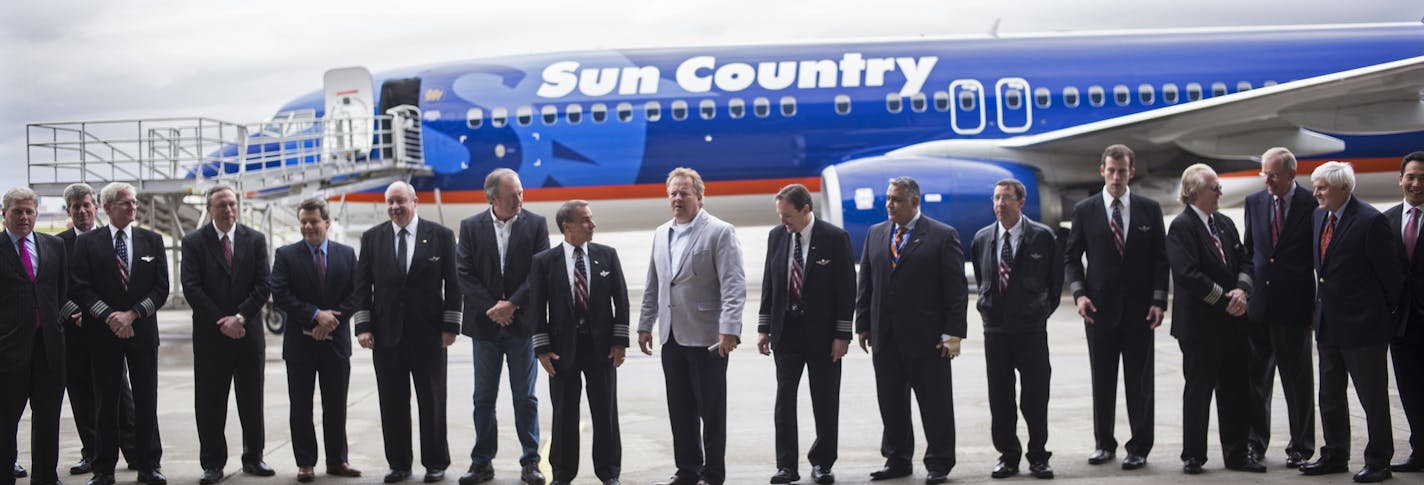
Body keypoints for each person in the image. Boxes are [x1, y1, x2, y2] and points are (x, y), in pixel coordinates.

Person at [638, 167, 746, 485]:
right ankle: (687, 469)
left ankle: (713, 474)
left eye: (684, 192)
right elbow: (654, 284)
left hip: (708, 338)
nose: (678, 198)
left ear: (699, 196)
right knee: (680, 408)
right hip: (671, 336)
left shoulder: (719, 231)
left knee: (711, 411)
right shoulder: (661, 233)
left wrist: (729, 329)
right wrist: (645, 325)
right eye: (673, 193)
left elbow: (733, 284)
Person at [855, 176, 967, 485]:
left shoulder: (942, 236)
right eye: (888, 198)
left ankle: (939, 462)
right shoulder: (876, 234)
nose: (889, 204)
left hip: (929, 341)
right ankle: (897, 459)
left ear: (915, 202)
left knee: (936, 404)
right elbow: (866, 284)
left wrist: (953, 338)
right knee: (891, 403)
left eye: (896, 200)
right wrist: (863, 323)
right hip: (885, 338)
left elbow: (956, 293)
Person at [1063, 144, 1168, 470]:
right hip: (1098, 310)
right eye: (1111, 171)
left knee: (1139, 384)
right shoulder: (1086, 210)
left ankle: (1139, 447)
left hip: (1140, 312)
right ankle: (1103, 443)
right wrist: (1079, 294)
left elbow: (1160, 260)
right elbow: (1071, 258)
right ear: (1102, 171)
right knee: (1103, 381)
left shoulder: (1149, 209)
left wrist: (1158, 300)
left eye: (1122, 171)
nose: (1116, 177)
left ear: (1131, 172)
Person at [353, 181, 461, 483]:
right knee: (392, 402)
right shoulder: (372, 238)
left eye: (400, 201)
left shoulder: (440, 236)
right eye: (389, 202)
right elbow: (362, 288)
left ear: (415, 201)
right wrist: (363, 326)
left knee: (433, 402)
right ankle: (399, 464)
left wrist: (451, 326)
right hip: (387, 337)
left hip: (429, 336)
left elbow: (453, 285)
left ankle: (436, 463)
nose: (394, 207)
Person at [1300, 161, 1402, 483]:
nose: (1315, 193)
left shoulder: (1370, 221)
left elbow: (1392, 279)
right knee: (1329, 395)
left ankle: (1378, 460)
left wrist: (1379, 317)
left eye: (1322, 187)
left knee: (1372, 397)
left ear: (1344, 188)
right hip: (1328, 325)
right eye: (1315, 186)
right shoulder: (1318, 216)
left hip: (1364, 328)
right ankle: (1334, 453)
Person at [1164, 164, 1261, 474]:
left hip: (1232, 325)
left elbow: (1246, 259)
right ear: (1194, 192)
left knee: (1236, 391)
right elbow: (1188, 275)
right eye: (1214, 187)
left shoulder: (1224, 223)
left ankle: (1237, 455)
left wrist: (1243, 291)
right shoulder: (1182, 227)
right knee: (1199, 391)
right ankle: (1193, 455)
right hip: (1200, 328)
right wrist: (1225, 300)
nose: (1220, 192)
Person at [69, 182, 168, 485]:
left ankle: (149, 465)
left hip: (142, 332)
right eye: (126, 202)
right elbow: (80, 287)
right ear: (109, 207)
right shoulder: (88, 243)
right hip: (103, 335)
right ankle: (104, 469)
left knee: (146, 399)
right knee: (106, 402)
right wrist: (110, 316)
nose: (132, 207)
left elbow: (161, 288)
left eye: (134, 202)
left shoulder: (151, 240)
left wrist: (133, 314)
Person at [756, 184, 855, 485]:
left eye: (787, 215)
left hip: (824, 336)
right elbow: (769, 284)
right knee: (784, 400)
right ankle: (786, 465)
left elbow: (846, 290)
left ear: (805, 210)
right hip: (787, 333)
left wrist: (842, 335)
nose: (783, 221)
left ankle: (823, 462)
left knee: (825, 400)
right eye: (780, 215)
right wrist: (763, 328)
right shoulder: (777, 237)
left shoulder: (834, 238)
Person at [455, 169, 548, 485]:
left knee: (525, 397)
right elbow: (464, 273)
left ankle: (530, 462)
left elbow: (539, 270)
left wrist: (512, 304)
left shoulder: (535, 224)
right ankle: (482, 463)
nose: (520, 199)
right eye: (513, 195)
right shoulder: (470, 227)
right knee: (483, 397)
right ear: (493, 198)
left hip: (521, 326)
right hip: (486, 328)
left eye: (521, 193)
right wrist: (492, 308)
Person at [527, 200, 628, 485]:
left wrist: (619, 342)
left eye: (591, 219)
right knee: (564, 415)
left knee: (606, 413)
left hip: (602, 349)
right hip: (562, 351)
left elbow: (620, 301)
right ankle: (562, 473)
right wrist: (543, 349)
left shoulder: (607, 255)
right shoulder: (544, 262)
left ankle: (609, 472)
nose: (592, 224)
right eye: (585, 220)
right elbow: (537, 309)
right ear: (566, 226)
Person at [969, 178, 1061, 480]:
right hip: (995, 333)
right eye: (996, 198)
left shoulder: (1043, 237)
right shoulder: (982, 238)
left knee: (1035, 395)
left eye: (1006, 198)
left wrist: (1037, 313)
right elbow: (984, 278)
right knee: (1000, 397)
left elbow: (1055, 285)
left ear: (1021, 202)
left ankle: (1038, 456)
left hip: (1031, 332)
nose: (999, 204)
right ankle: (1008, 455)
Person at [179, 185, 272, 484]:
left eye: (232, 204)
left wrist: (240, 317)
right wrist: (222, 320)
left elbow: (263, 284)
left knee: (252, 400)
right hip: (211, 337)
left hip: (248, 334)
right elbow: (191, 287)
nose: (229, 210)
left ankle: (254, 457)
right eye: (222, 206)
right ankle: (213, 464)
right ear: (209, 210)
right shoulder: (193, 242)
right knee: (209, 403)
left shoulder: (255, 240)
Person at [269, 197, 362, 482]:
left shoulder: (347, 254)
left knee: (336, 406)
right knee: (301, 407)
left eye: (313, 221)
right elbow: (281, 295)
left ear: (327, 222)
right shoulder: (285, 255)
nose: (308, 226)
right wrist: (315, 315)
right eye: (303, 221)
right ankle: (306, 462)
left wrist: (330, 320)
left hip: (335, 343)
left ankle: (337, 461)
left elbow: (356, 293)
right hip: (300, 345)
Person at [1241, 147, 1317, 468]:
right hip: (1258, 308)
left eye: (1273, 174)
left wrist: (1317, 306)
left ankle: (1301, 447)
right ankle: (1254, 444)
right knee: (1256, 382)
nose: (1267, 180)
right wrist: (1243, 291)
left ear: (1291, 175)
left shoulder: (1311, 204)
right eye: (1264, 173)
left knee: (1297, 384)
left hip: (1294, 308)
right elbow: (1250, 251)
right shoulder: (1254, 202)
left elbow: (1319, 258)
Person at [1, 187, 68, 485]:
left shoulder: (53, 246)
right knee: (5, 423)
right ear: (4, 214)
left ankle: (45, 477)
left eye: (30, 211)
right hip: (8, 353)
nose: (25, 217)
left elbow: (59, 292)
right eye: (18, 211)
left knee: (47, 421)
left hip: (49, 351)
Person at [1385, 151, 1424, 473]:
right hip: (1402, 325)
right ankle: (1419, 451)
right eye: (1410, 177)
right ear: (1400, 180)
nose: (1416, 183)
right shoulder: (1385, 221)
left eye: (1422, 178)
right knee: (1410, 392)